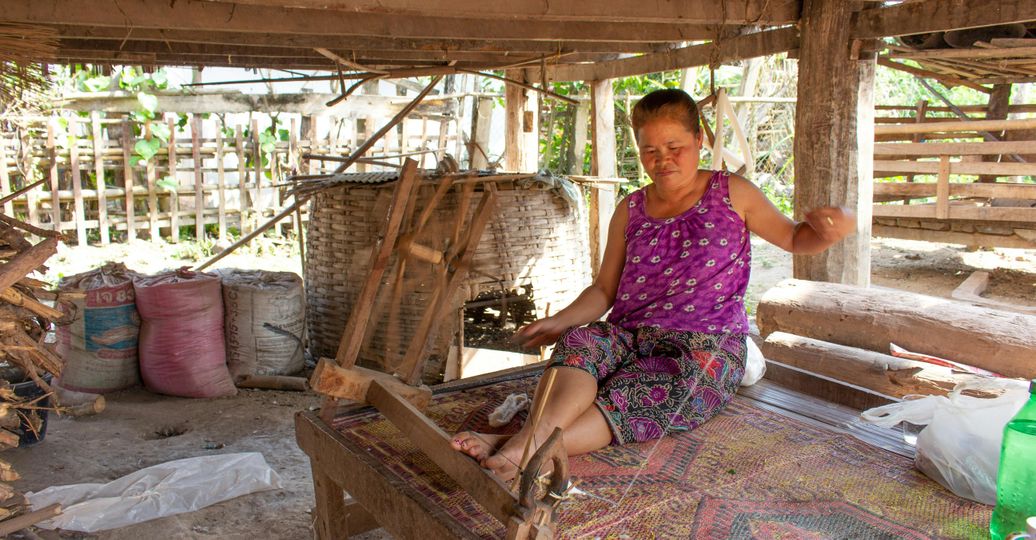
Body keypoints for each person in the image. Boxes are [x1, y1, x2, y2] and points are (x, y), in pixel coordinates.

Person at [451, 88, 855, 480]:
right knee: (582, 341)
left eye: (675, 146)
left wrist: (829, 232)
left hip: (705, 347)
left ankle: (516, 447)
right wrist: (561, 320)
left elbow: (795, 239)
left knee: (647, 389)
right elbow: (603, 291)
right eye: (650, 151)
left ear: (699, 138)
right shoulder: (631, 209)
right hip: (630, 335)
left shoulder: (734, 194)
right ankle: (529, 443)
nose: (663, 160)